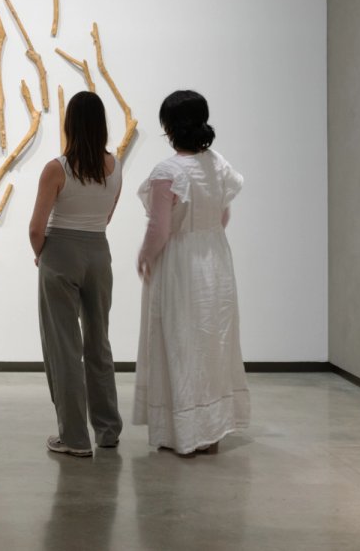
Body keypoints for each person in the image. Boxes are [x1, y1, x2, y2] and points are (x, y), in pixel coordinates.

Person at [132, 89, 249, 457]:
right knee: (213, 343)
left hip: (180, 266)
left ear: (169, 126)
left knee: (180, 343)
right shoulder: (218, 165)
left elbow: (160, 229)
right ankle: (211, 431)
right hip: (215, 263)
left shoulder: (167, 172)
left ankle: (182, 432)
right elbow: (223, 216)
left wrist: (144, 256)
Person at [28, 90, 123, 458]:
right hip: (99, 252)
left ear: (69, 124)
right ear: (101, 126)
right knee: (98, 342)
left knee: (64, 347)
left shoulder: (57, 168)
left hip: (60, 254)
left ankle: (74, 437)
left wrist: (42, 257)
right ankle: (108, 430)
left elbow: (37, 228)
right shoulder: (114, 166)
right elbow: (107, 216)